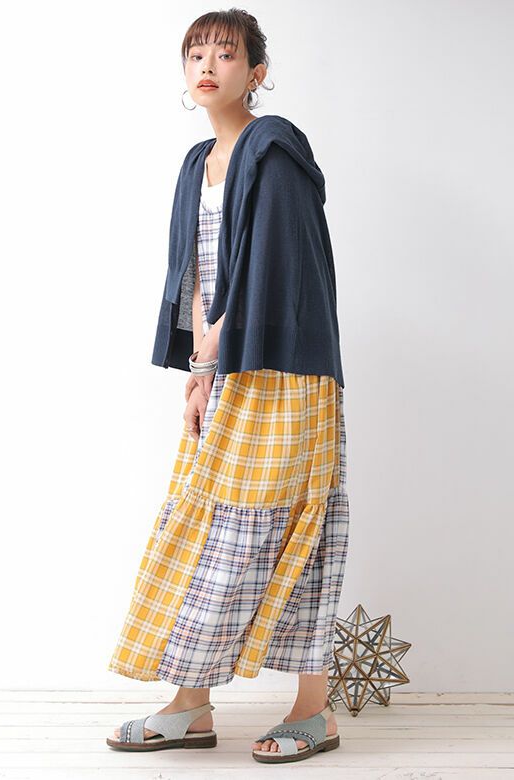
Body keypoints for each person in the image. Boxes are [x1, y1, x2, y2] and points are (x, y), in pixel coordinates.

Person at [105, 10, 349, 764]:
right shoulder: (196, 163)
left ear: (257, 72)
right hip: (227, 367)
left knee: (292, 530)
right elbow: (195, 272)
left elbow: (276, 267)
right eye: (195, 54)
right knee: (210, 527)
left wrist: (215, 351)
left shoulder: (274, 149)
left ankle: (313, 711)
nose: (207, 65)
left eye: (226, 53)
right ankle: (193, 703)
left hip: (287, 368)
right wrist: (198, 372)